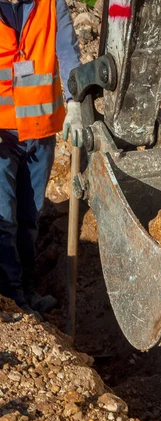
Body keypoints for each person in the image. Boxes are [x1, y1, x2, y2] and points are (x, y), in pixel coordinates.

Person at [0, 0, 83, 313]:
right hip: (2, 137)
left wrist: (75, 102)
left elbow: (68, 54)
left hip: (41, 133)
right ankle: (14, 300)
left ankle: (28, 289)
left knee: (29, 217)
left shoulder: (52, 5)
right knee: (3, 219)